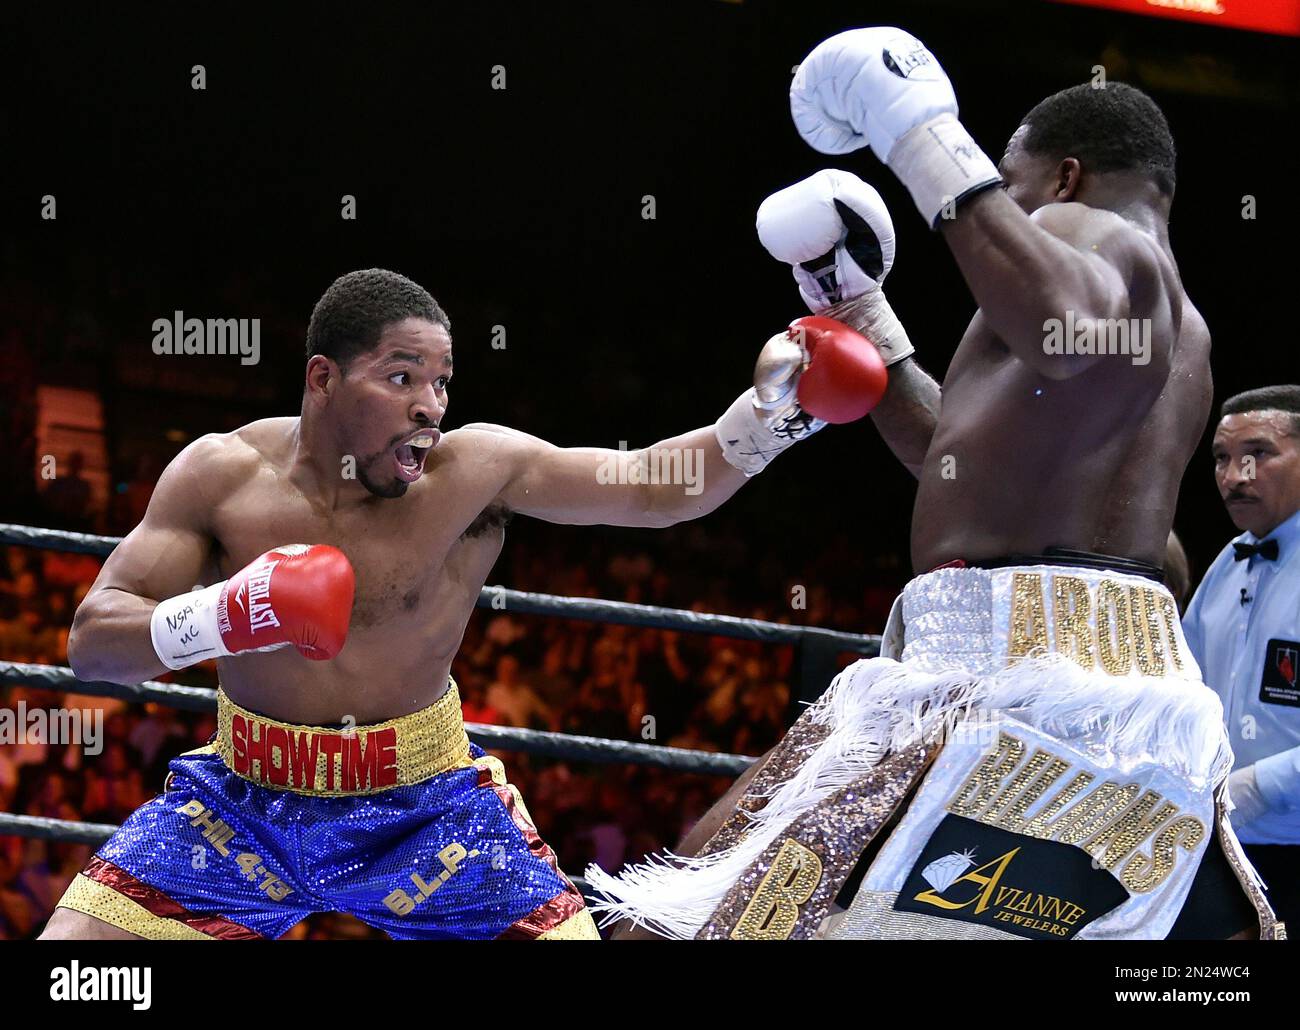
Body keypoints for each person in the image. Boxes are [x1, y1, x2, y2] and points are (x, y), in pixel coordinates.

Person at [589, 27, 1279, 940]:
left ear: (1065, 179)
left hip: (1002, 677)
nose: (1006, 223)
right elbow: (952, 454)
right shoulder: (1182, 335)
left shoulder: (1099, 234)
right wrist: (852, 304)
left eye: (1015, 188)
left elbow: (1064, 315)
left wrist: (918, 131)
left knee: (690, 909)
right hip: (1116, 693)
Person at [41, 267, 878, 940]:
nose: (428, 406)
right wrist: (229, 612)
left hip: (428, 810)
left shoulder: (475, 473)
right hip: (243, 802)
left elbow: (654, 488)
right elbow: (93, 642)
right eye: (402, 376)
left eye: (440, 383)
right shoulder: (219, 475)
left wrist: (768, 418)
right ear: (323, 378)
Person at [1183, 385, 1300, 931]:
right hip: (1226, 846)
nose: (1235, 477)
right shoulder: (1227, 565)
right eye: (1223, 459)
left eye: (1258, 454)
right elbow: (1183, 693)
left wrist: (1254, 789)